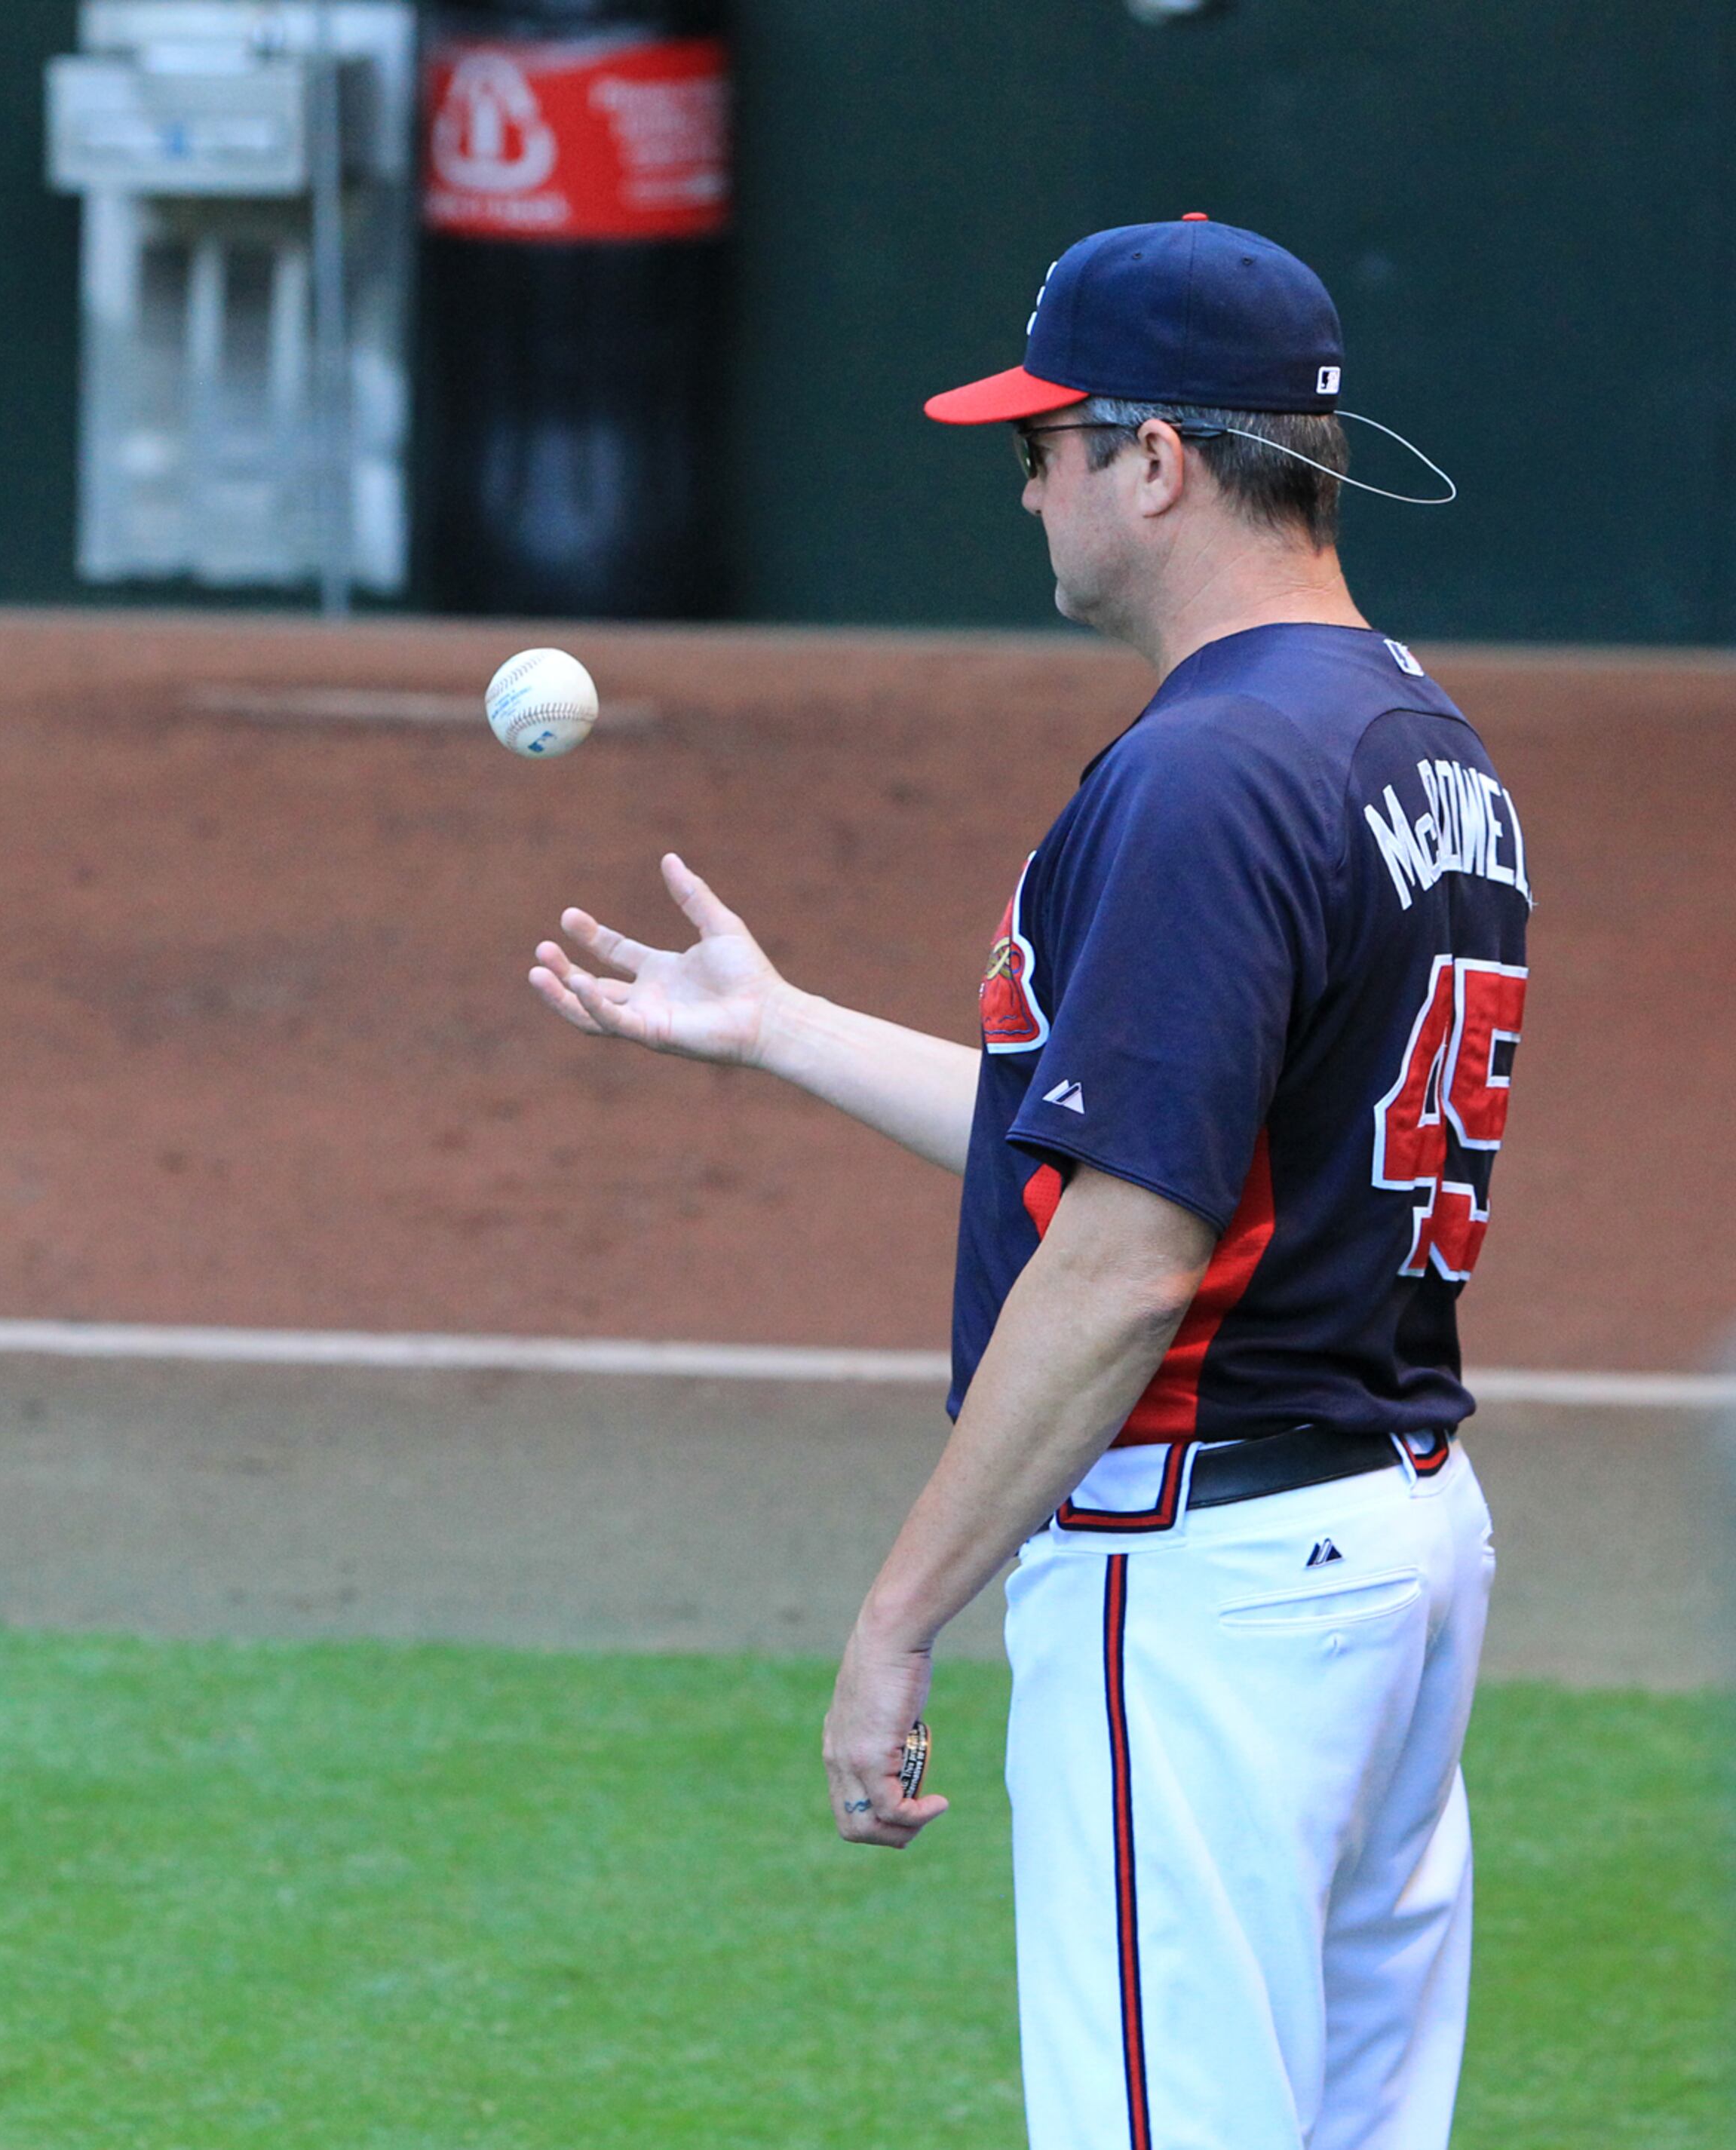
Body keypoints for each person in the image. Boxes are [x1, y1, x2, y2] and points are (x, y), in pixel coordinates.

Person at [530, 217, 1522, 2148]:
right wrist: (784, 1027)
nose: (1027, 486)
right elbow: (1155, 1138)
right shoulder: (1414, 739)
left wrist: (901, 1613)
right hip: (1390, 1546)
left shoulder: (1205, 775)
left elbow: (1130, 1259)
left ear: (1155, 460)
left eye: (1042, 444)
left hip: (1212, 1583)